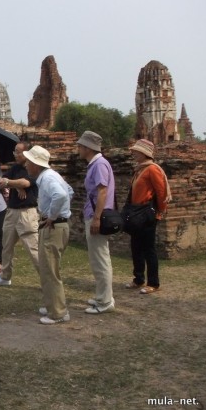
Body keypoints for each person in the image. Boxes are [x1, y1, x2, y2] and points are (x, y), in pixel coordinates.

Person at [23, 145, 74, 325]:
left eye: (29, 162)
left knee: (50, 270)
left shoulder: (48, 178)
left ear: (36, 164)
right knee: (47, 268)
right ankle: (52, 305)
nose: (26, 165)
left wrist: (52, 216)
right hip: (57, 224)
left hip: (53, 226)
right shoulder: (51, 176)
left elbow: (61, 195)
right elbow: (69, 192)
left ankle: (58, 313)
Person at [125, 139, 172, 294]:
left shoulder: (152, 169)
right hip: (136, 212)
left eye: (136, 151)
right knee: (136, 247)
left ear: (144, 153)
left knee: (148, 249)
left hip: (146, 214)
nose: (133, 153)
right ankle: (138, 279)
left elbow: (161, 192)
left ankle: (153, 282)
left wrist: (160, 211)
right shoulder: (139, 169)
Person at [0, 141, 39, 286]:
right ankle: (5, 276)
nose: (15, 154)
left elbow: (25, 183)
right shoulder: (15, 168)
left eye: (18, 152)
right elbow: (2, 182)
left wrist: (14, 184)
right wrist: (15, 185)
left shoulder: (33, 168)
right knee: (7, 246)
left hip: (26, 213)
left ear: (26, 153)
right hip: (11, 211)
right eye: (14, 152)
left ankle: (46, 278)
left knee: (33, 248)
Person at [77, 131, 116, 314]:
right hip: (93, 214)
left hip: (97, 215)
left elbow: (102, 192)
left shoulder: (99, 164)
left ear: (87, 148)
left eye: (80, 146)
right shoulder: (96, 164)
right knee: (98, 258)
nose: (78, 149)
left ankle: (105, 301)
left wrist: (97, 218)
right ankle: (102, 296)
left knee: (100, 259)